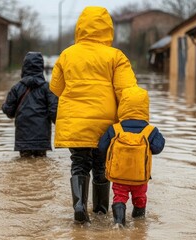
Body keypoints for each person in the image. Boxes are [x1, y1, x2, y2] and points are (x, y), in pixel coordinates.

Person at [50, 6, 138, 223]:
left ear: (80, 27)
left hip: (75, 121)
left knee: (79, 163)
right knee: (102, 166)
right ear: (108, 29)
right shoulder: (116, 56)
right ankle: (100, 210)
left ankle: (79, 206)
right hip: (105, 123)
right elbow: (127, 92)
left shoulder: (67, 55)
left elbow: (56, 88)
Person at [98, 86, 165, 226]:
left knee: (119, 197)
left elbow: (102, 147)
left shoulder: (115, 128)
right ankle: (139, 226)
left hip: (119, 175)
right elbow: (158, 148)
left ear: (122, 105)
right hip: (140, 177)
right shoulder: (150, 130)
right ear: (146, 106)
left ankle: (118, 223)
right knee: (140, 197)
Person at [2, 52, 58, 158]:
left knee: (24, 166)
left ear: (24, 67)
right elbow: (54, 111)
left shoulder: (16, 88)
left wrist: (4, 107)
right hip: (42, 138)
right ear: (41, 67)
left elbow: (9, 112)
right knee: (41, 166)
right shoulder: (48, 88)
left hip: (23, 139)